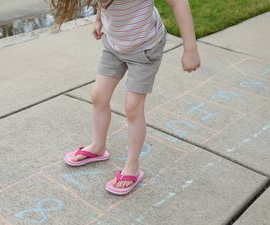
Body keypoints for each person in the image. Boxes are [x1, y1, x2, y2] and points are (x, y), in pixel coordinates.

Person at [51, 0, 201, 195]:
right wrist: (98, 20)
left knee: (132, 108)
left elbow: (178, 3)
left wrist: (190, 48)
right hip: (114, 44)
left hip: (145, 47)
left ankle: (132, 167)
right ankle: (97, 147)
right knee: (98, 95)